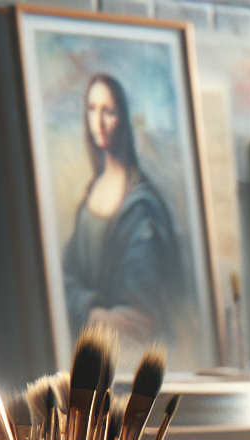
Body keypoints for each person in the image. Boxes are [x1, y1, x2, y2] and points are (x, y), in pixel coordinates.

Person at [63, 73, 187, 345]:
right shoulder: (90, 198)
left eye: (108, 111)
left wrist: (95, 313)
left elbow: (139, 313)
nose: (98, 122)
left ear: (123, 118)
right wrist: (92, 311)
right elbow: (64, 277)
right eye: (92, 110)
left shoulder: (142, 207)